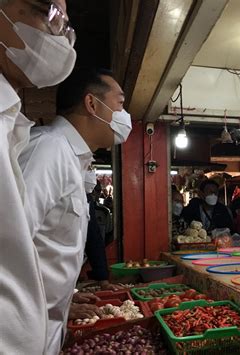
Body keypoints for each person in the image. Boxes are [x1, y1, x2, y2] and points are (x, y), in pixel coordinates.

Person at [19, 68, 132, 353]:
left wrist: (66, 299)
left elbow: (48, 245)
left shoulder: (73, 158)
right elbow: (10, 244)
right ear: (92, 104)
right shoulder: (48, 151)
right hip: (21, 328)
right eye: (119, 103)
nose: (124, 115)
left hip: (45, 323)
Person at [0, 0, 76, 353]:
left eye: (65, 24)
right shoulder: (50, 149)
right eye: (51, 14)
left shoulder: (11, 123)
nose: (61, 35)